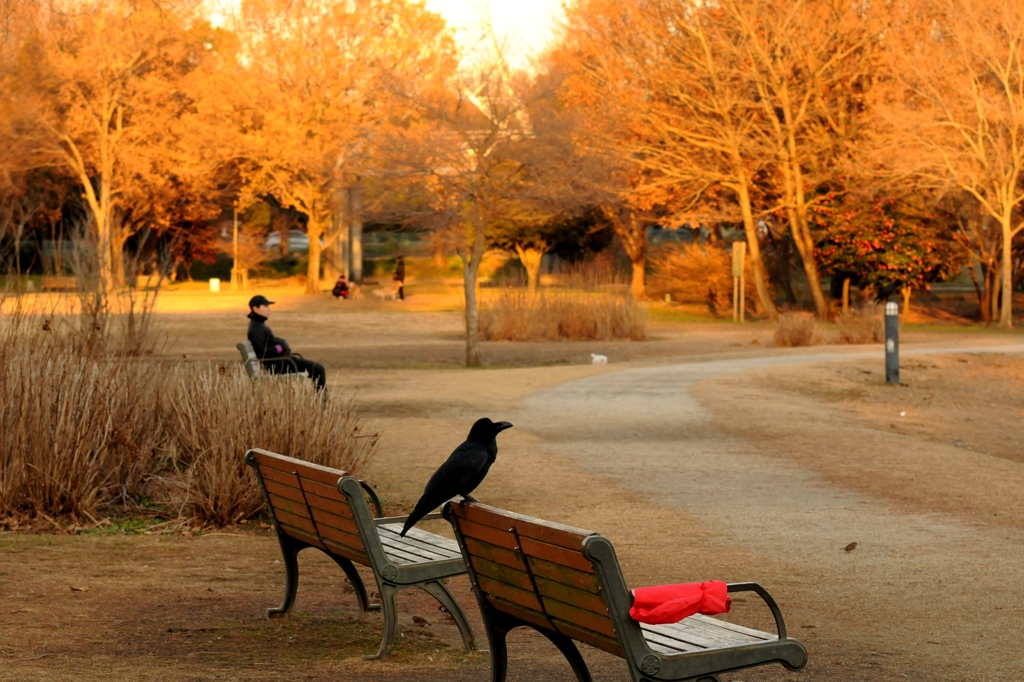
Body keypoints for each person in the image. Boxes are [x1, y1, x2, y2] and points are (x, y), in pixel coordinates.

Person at [246, 295, 327, 390]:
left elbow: (269, 344)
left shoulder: (258, 325)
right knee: (318, 369)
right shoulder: (257, 328)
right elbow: (262, 352)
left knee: (317, 369)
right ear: (255, 309)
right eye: (266, 306)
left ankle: (321, 400)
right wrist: (281, 347)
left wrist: (281, 343)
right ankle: (323, 402)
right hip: (279, 365)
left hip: (282, 362)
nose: (269, 309)